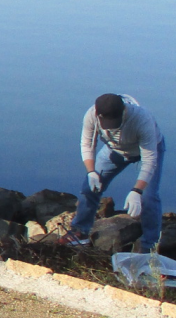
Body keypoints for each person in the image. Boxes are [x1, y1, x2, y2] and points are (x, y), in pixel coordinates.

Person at [61, 93, 165, 252]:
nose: (110, 125)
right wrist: (91, 172)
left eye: (114, 121)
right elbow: (87, 145)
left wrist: (136, 191)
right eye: (107, 121)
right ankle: (80, 231)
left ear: (124, 110)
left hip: (147, 151)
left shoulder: (142, 119)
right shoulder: (91, 115)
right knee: (89, 188)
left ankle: (149, 247)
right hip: (115, 150)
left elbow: (149, 161)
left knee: (148, 197)